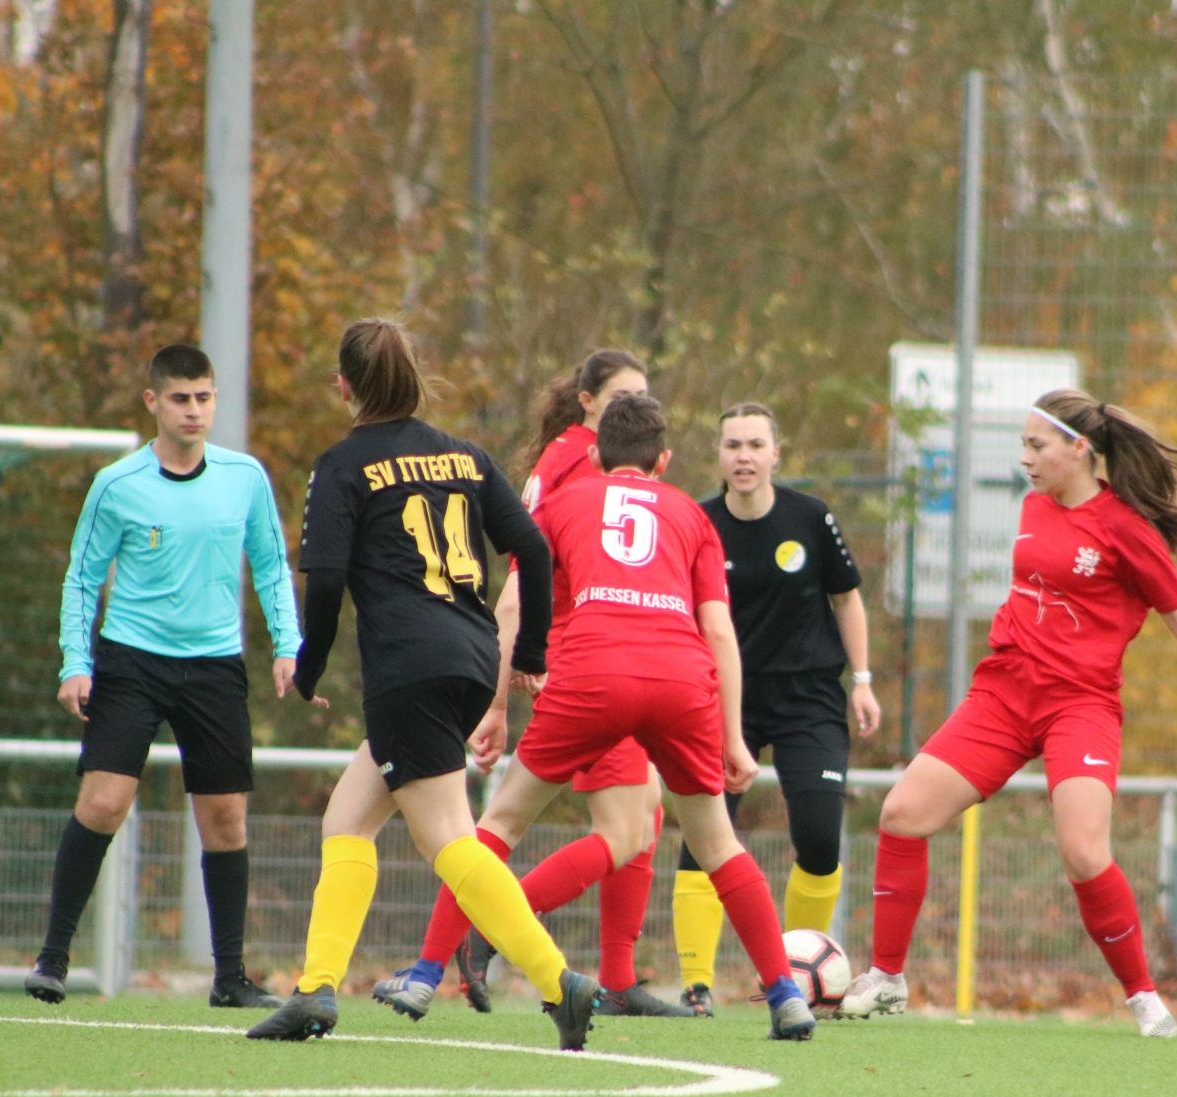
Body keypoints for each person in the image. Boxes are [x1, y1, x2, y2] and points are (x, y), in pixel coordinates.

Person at [839, 391, 1177, 1035]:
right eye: (1023, 445)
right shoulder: (1033, 506)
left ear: (1080, 449)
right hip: (1004, 695)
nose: (1025, 458)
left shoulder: (1125, 528)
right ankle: (887, 980)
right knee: (901, 813)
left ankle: (1144, 997)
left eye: (1037, 446)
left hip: (1081, 705)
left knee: (1084, 852)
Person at [246, 318, 601, 1050]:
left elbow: (327, 580)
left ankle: (558, 981)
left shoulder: (343, 464)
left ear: (344, 386)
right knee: (347, 821)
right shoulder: (465, 457)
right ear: (413, 376)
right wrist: (530, 649)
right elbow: (534, 550)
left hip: (409, 668)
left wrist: (308, 667)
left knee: (447, 838)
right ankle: (315, 989)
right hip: (471, 658)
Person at [467, 393, 817, 1040]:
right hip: (681, 679)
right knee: (717, 844)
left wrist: (496, 702)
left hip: (592, 673)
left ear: (597, 456)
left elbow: (513, 604)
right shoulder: (694, 515)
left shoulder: (560, 503)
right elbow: (719, 631)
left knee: (501, 822)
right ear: (664, 460)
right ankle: (785, 994)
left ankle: (433, 967)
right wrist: (734, 737)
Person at [370, 349, 684, 1020]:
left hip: (586, 650)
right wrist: (497, 699)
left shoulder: (564, 457)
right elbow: (518, 587)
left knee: (640, 814)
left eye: (642, 395)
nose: (634, 408)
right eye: (621, 396)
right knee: (610, 829)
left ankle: (616, 977)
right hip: (589, 655)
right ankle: (479, 933)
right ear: (588, 403)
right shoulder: (583, 467)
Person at [29, 343, 299, 1009]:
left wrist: (287, 644)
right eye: (180, 398)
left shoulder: (244, 477)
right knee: (103, 804)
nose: (193, 410)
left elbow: (270, 564)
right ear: (153, 402)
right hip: (132, 662)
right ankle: (53, 959)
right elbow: (82, 577)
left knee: (226, 819)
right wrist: (76, 662)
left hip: (215, 666)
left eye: (203, 397)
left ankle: (229, 978)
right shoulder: (117, 484)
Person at [671, 403, 881, 1015]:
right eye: (732, 444)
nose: (744, 456)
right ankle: (696, 985)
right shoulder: (697, 523)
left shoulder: (810, 517)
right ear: (718, 455)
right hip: (721, 698)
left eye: (755, 444)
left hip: (808, 697)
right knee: (705, 834)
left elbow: (847, 599)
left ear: (775, 454)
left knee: (818, 836)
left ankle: (795, 978)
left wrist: (862, 680)